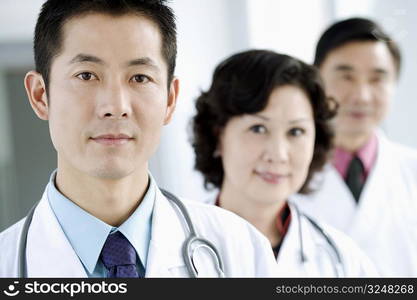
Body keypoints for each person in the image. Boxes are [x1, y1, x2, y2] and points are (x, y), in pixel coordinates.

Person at [0, 0, 279, 278]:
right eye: (86, 75)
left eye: (140, 78)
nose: (115, 105)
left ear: (170, 100)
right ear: (40, 95)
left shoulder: (240, 249)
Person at [192, 49, 377, 277]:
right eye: (258, 129)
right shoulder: (169, 251)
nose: (279, 154)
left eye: (296, 131)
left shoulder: (343, 261)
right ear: (217, 135)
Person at [293, 17, 417, 277]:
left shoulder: (411, 169)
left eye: (377, 79)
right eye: (346, 76)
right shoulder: (283, 171)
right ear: (317, 79)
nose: (361, 95)